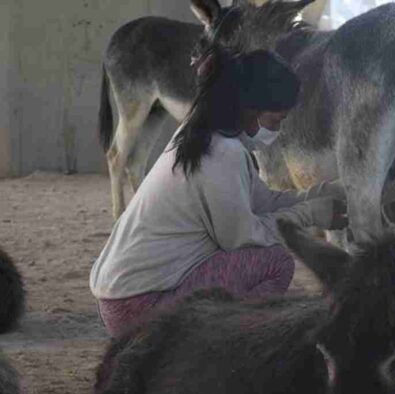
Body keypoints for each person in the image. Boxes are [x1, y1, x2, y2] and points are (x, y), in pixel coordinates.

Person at [90, 48, 347, 337]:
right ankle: (221, 347)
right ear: (250, 108)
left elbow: (263, 202)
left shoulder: (202, 133)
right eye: (276, 121)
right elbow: (244, 239)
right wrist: (312, 214)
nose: (278, 130)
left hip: (120, 296)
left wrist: (329, 192)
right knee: (275, 263)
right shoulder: (223, 153)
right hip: (139, 305)